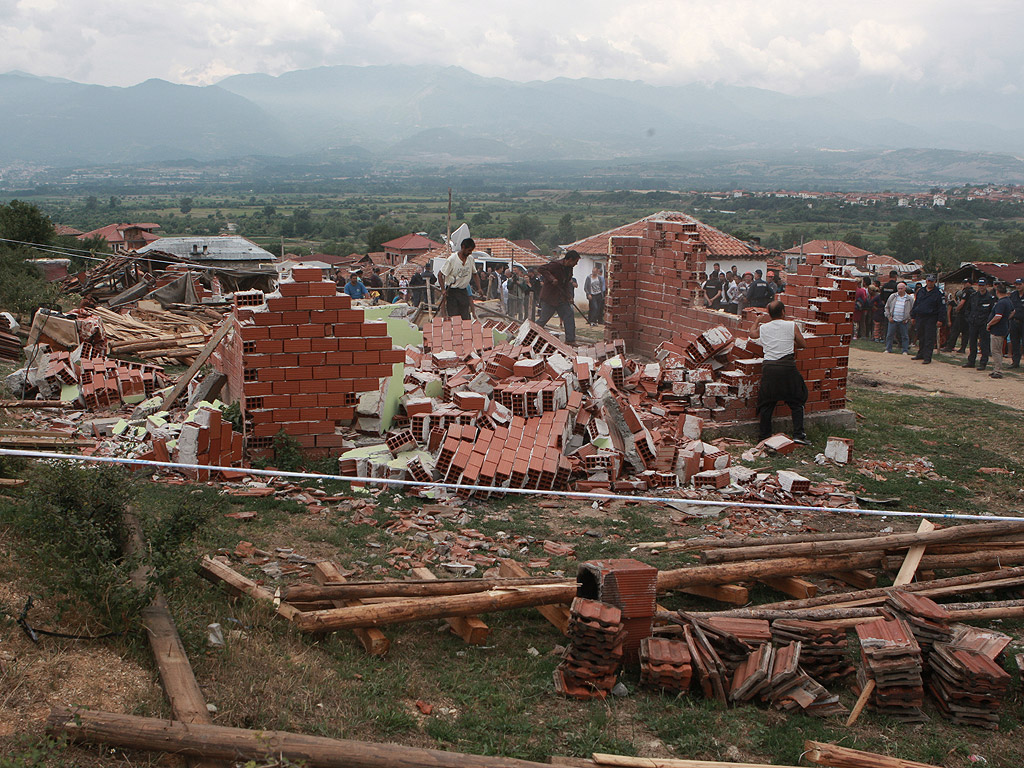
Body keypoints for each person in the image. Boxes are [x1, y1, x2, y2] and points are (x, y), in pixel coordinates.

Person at [751, 300, 808, 443]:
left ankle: (764, 436)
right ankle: (798, 435)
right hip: (787, 367)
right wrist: (789, 340)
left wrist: (757, 320)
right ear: (783, 312)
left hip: (769, 368)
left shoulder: (764, 328)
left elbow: (752, 334)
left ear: (769, 314)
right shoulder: (791, 325)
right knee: (796, 401)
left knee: (766, 404)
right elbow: (803, 344)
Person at [537, 250, 580, 344]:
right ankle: (530, 333)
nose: (576, 264)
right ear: (569, 260)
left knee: (569, 314)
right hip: (549, 298)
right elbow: (541, 269)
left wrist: (569, 296)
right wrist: (552, 278)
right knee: (544, 319)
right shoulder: (555, 265)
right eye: (575, 262)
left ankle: (570, 340)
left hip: (561, 298)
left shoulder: (569, 269)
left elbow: (566, 284)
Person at [438, 237, 482, 320]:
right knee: (455, 317)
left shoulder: (470, 259)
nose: (470, 253)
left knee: (465, 316)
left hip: (463, 291)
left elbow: (475, 274)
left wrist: (479, 288)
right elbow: (440, 275)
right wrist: (443, 290)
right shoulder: (452, 259)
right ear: (463, 247)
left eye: (471, 251)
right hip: (452, 292)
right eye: (468, 250)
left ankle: (465, 332)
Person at [963, 278, 996, 371]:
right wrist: (969, 318)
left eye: (983, 285)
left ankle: (983, 363)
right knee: (972, 343)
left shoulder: (990, 298)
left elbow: (992, 312)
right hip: (973, 323)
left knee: (984, 344)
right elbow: (968, 309)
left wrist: (988, 322)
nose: (981, 287)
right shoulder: (973, 296)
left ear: (986, 286)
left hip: (984, 324)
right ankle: (971, 361)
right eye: (980, 285)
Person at [909, 275, 944, 364]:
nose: (930, 283)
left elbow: (942, 308)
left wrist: (940, 319)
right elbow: (916, 304)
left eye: (932, 281)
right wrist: (913, 316)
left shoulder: (938, 293)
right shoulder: (921, 291)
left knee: (929, 338)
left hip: (931, 317)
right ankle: (920, 354)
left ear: (934, 282)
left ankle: (927, 357)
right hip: (920, 317)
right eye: (928, 281)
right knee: (921, 336)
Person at [987, 283, 1014, 379]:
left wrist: (989, 324)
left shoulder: (1001, 302)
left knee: (996, 351)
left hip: (997, 329)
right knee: (998, 350)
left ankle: (998, 371)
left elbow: (998, 316)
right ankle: (996, 369)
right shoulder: (1008, 301)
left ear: (997, 291)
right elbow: (1013, 311)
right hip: (1003, 328)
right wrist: (1007, 319)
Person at [942, 278, 974, 353]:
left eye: (966, 283)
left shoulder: (967, 291)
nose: (964, 284)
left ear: (969, 283)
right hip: (969, 315)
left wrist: (957, 309)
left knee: (955, 331)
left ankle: (949, 346)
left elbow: (962, 302)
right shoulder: (974, 292)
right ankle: (963, 348)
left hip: (962, 314)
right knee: (965, 333)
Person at [884, 281, 914, 354]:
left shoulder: (909, 298)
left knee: (905, 336)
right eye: (898, 288)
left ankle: (905, 350)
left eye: (901, 288)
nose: (900, 290)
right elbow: (887, 307)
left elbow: (912, 309)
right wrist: (889, 316)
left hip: (904, 320)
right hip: (893, 319)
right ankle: (888, 349)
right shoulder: (892, 296)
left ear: (905, 289)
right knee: (890, 335)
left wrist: (908, 318)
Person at [1008, 277, 1023, 369]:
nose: (1018, 286)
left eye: (1020, 284)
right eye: (1016, 284)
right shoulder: (1013, 295)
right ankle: (1015, 362)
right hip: (1014, 322)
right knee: (1014, 342)